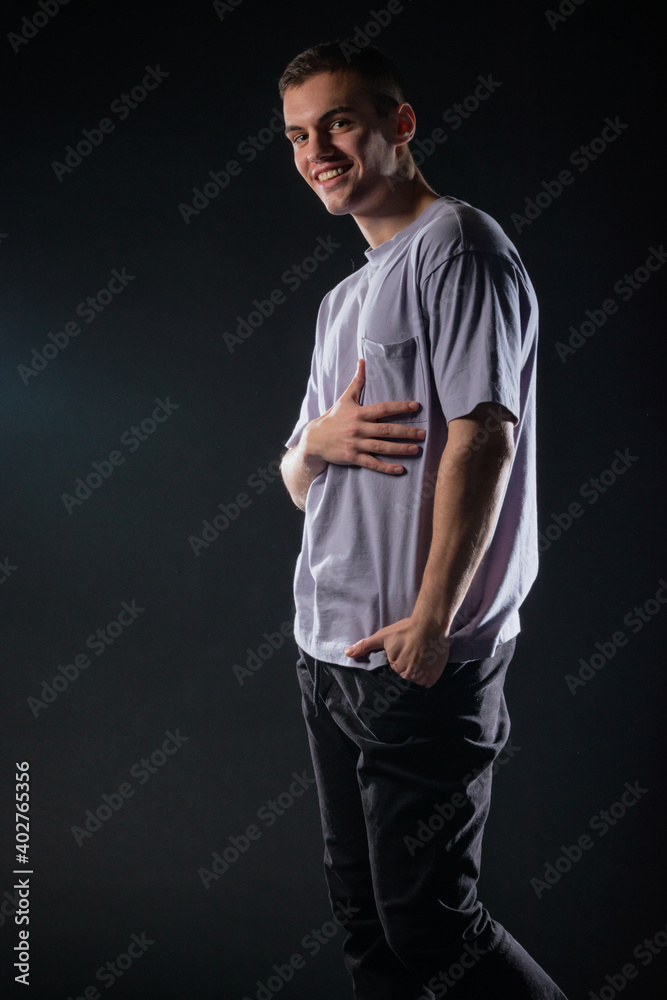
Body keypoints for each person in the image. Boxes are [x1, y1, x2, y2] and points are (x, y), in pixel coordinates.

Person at [278, 40, 569, 1000]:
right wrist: (315, 442)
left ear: (399, 126)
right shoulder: (340, 301)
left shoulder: (460, 247)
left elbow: (483, 434)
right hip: (329, 654)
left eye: (339, 123)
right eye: (297, 136)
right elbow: (293, 478)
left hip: (418, 655)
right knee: (368, 930)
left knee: (434, 929)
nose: (317, 149)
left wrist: (434, 621)